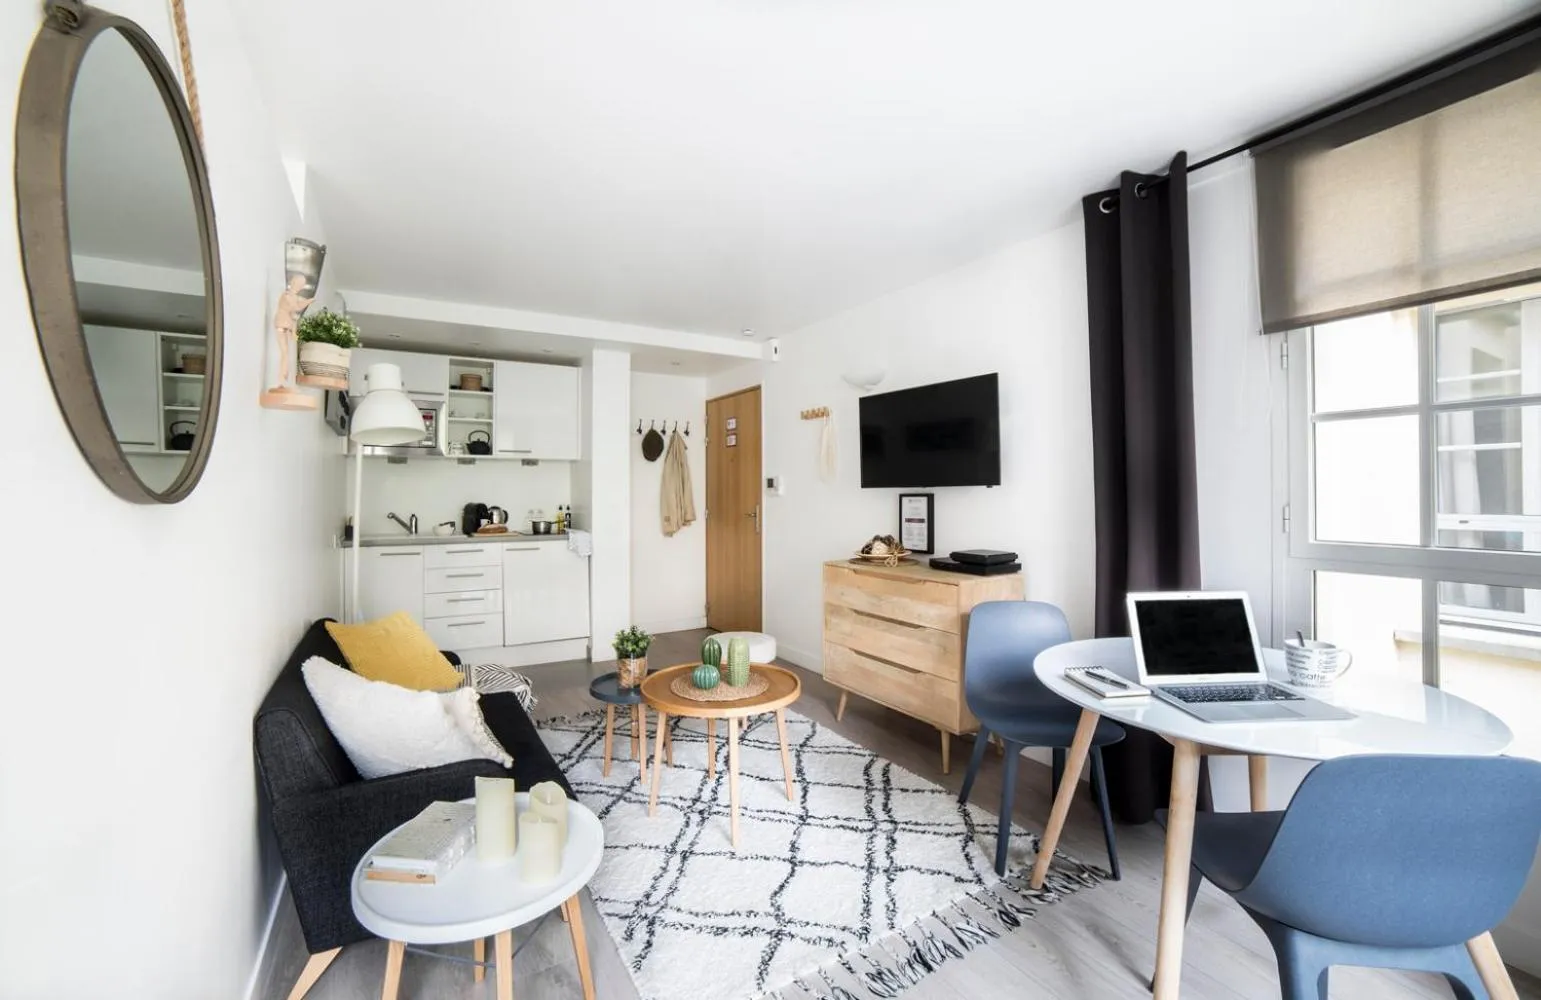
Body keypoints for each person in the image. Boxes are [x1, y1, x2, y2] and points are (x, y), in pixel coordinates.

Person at [271, 272, 313, 388]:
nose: (300, 287)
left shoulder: (293, 297)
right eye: (299, 284)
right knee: (284, 353)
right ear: (293, 283)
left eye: (302, 285)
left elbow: (296, 308)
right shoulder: (287, 295)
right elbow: (295, 307)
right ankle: (281, 379)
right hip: (282, 324)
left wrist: (308, 301)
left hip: (287, 325)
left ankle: (283, 380)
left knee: (287, 354)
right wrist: (307, 302)